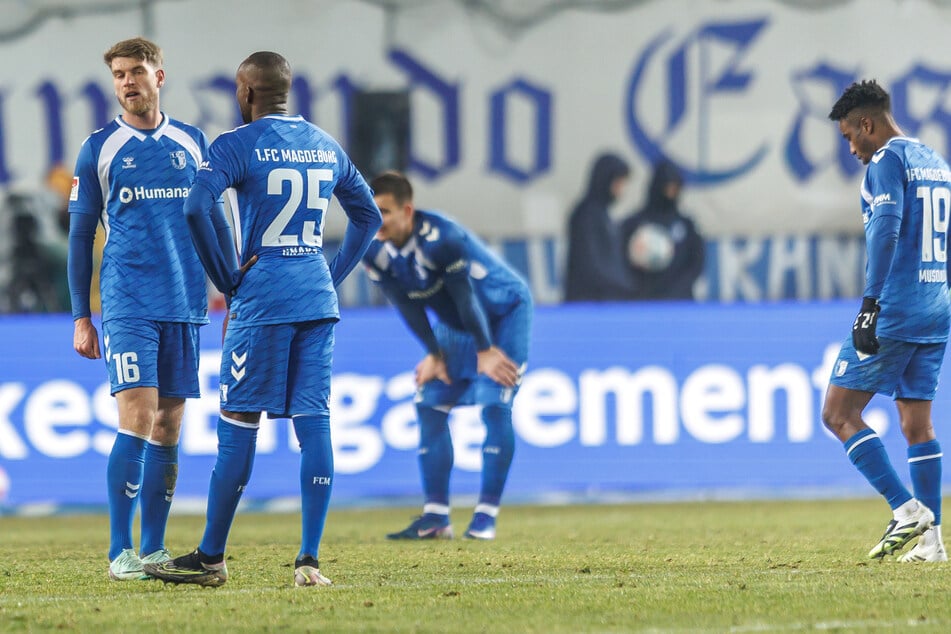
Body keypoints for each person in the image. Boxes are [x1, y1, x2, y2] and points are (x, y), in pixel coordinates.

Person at [144, 51, 381, 587]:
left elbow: (194, 207)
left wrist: (226, 277)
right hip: (317, 299)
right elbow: (369, 216)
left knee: (239, 426)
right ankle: (309, 561)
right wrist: (332, 272)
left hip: (262, 299)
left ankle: (211, 558)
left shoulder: (234, 145)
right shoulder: (325, 145)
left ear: (245, 92)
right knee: (314, 421)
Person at [67, 37, 228, 581]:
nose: (127, 81)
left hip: (184, 302)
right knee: (137, 415)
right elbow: (80, 234)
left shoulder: (192, 141)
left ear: (160, 76)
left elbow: (212, 219)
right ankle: (119, 552)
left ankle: (155, 548)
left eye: (136, 71)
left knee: (170, 425)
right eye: (118, 74)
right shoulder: (99, 149)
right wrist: (79, 316)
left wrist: (228, 281)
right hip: (128, 300)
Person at [363, 171, 532, 541]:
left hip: (503, 313)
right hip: (458, 323)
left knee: (493, 403)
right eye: (370, 211)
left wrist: (486, 352)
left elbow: (466, 296)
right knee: (428, 401)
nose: (377, 220)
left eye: (385, 211)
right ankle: (436, 518)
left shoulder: (442, 239)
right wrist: (434, 354)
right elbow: (407, 306)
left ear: (407, 211)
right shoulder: (372, 249)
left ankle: (485, 518)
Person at [822, 79, 949, 562]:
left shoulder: (886, 161)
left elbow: (887, 228)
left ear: (867, 124)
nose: (851, 148)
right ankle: (934, 544)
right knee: (918, 425)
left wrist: (870, 303)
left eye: (850, 136)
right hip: (937, 306)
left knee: (837, 413)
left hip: (895, 307)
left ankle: (905, 509)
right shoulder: (935, 161)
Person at [619, 159, 704, 300]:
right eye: (667, 188)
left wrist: (677, 290)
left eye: (675, 189)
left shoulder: (687, 225)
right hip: (641, 301)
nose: (671, 194)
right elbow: (619, 262)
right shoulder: (633, 224)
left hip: (678, 301)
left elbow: (696, 263)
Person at [563, 152, 638, 302]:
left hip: (607, 300)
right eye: (618, 183)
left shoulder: (604, 215)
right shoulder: (586, 215)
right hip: (589, 302)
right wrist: (623, 286)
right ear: (605, 180)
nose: (620, 189)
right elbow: (590, 264)